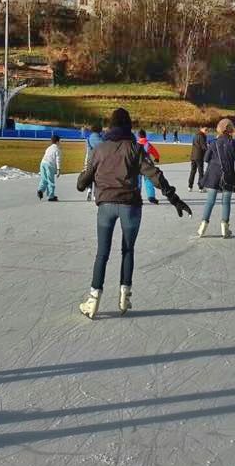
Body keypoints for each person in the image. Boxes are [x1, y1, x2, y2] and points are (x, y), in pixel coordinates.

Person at [76, 108, 192, 319]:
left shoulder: (100, 149)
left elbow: (83, 180)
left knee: (102, 253)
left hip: (106, 206)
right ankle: (124, 296)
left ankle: (93, 300)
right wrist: (173, 198)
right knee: (127, 251)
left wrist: (82, 182)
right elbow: (154, 174)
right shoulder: (135, 149)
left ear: (110, 126)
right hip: (130, 205)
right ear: (129, 126)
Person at [198, 119, 235, 238]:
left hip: (213, 175)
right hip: (228, 175)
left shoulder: (213, 143)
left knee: (210, 201)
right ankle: (225, 228)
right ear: (230, 129)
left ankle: (203, 226)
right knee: (226, 202)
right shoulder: (234, 143)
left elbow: (206, 159)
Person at [138, 129, 161, 204]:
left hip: (137, 165)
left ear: (138, 136)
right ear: (145, 135)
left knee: (137, 181)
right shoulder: (148, 144)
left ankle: (136, 196)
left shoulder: (135, 144)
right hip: (147, 165)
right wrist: (157, 158)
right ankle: (151, 196)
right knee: (148, 180)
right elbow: (155, 152)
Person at [38, 134, 61, 202]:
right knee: (50, 181)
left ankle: (40, 190)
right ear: (57, 142)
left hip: (42, 163)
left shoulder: (48, 148)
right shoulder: (57, 149)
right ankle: (51, 196)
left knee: (44, 179)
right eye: (59, 141)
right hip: (49, 165)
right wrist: (58, 169)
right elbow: (58, 160)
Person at [84, 124, 102, 201]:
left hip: (90, 159)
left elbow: (88, 151)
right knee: (97, 177)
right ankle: (95, 194)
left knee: (90, 175)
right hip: (98, 160)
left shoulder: (89, 138)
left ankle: (89, 190)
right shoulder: (101, 138)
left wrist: (86, 162)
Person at [189, 126, 208, 192]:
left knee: (193, 171)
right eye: (205, 129)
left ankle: (190, 186)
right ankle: (201, 187)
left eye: (207, 130)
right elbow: (204, 147)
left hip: (193, 156)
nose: (206, 131)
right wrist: (210, 151)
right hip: (199, 156)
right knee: (200, 172)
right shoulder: (202, 136)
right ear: (201, 129)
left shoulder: (195, 135)